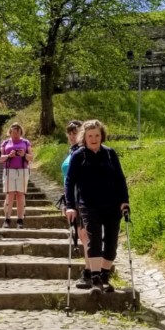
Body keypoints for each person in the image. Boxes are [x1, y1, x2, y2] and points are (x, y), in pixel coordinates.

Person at [63, 119, 130, 291]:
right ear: (84, 137)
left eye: (97, 135)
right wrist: (70, 205)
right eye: (90, 135)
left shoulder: (109, 153)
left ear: (102, 136)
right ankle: (95, 278)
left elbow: (120, 179)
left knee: (111, 242)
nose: (94, 139)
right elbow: (69, 182)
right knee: (94, 239)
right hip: (88, 204)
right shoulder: (78, 155)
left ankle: (105, 275)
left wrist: (124, 201)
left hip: (111, 203)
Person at [59, 120, 94, 287]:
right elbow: (67, 179)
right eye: (70, 133)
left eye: (75, 133)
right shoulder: (72, 151)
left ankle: (90, 271)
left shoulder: (82, 152)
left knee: (85, 235)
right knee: (82, 235)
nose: (73, 136)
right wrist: (67, 201)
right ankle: (90, 269)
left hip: (82, 199)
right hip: (72, 199)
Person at [0, 122, 32, 228]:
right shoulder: (5, 143)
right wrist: (8, 156)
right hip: (9, 170)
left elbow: (31, 157)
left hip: (22, 170)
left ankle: (20, 219)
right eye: (13, 133)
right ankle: (7, 219)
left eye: (17, 133)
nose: (15, 135)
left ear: (20, 132)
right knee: (9, 195)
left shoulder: (26, 142)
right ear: (10, 133)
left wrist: (24, 155)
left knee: (20, 195)